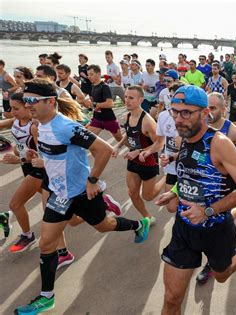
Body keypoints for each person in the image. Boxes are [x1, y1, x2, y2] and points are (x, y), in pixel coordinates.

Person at [14, 79, 150, 314]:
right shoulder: (38, 127)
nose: (29, 105)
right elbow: (54, 157)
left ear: (50, 101)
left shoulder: (66, 127)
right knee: (46, 244)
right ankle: (47, 297)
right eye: (26, 101)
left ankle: (139, 224)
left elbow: (104, 151)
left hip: (82, 193)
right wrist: (29, 159)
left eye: (32, 101)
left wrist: (92, 181)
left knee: (104, 226)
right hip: (59, 193)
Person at [155, 85, 236, 315]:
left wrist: (207, 211)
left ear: (204, 113)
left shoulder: (220, 143)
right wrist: (173, 193)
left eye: (186, 113)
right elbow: (190, 176)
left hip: (216, 230)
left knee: (221, 276)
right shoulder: (184, 138)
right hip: (184, 229)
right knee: (171, 299)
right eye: (175, 111)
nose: (178, 119)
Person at [0, 92, 44, 252]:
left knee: (16, 203)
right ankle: (98, 203)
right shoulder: (15, 121)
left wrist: (18, 159)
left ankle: (27, 234)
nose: (12, 111)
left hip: (37, 168)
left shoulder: (34, 127)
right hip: (26, 166)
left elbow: (44, 157)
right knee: (58, 201)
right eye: (11, 108)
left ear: (27, 107)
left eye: (16, 108)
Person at [112, 86, 160, 223]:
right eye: (126, 97)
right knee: (132, 192)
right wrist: (118, 145)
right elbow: (129, 133)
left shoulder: (148, 122)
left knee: (148, 196)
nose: (126, 100)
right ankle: (148, 217)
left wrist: (139, 152)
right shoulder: (128, 115)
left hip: (148, 161)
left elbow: (159, 144)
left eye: (131, 98)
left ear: (141, 100)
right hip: (133, 160)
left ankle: (168, 179)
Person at [85, 65, 122, 143]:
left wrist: (94, 104)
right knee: (88, 140)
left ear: (98, 74)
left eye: (91, 74)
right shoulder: (93, 86)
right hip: (97, 119)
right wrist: (89, 104)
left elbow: (110, 104)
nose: (89, 77)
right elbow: (95, 105)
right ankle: (100, 153)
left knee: (121, 141)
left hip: (109, 119)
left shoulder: (104, 87)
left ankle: (135, 151)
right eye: (88, 75)